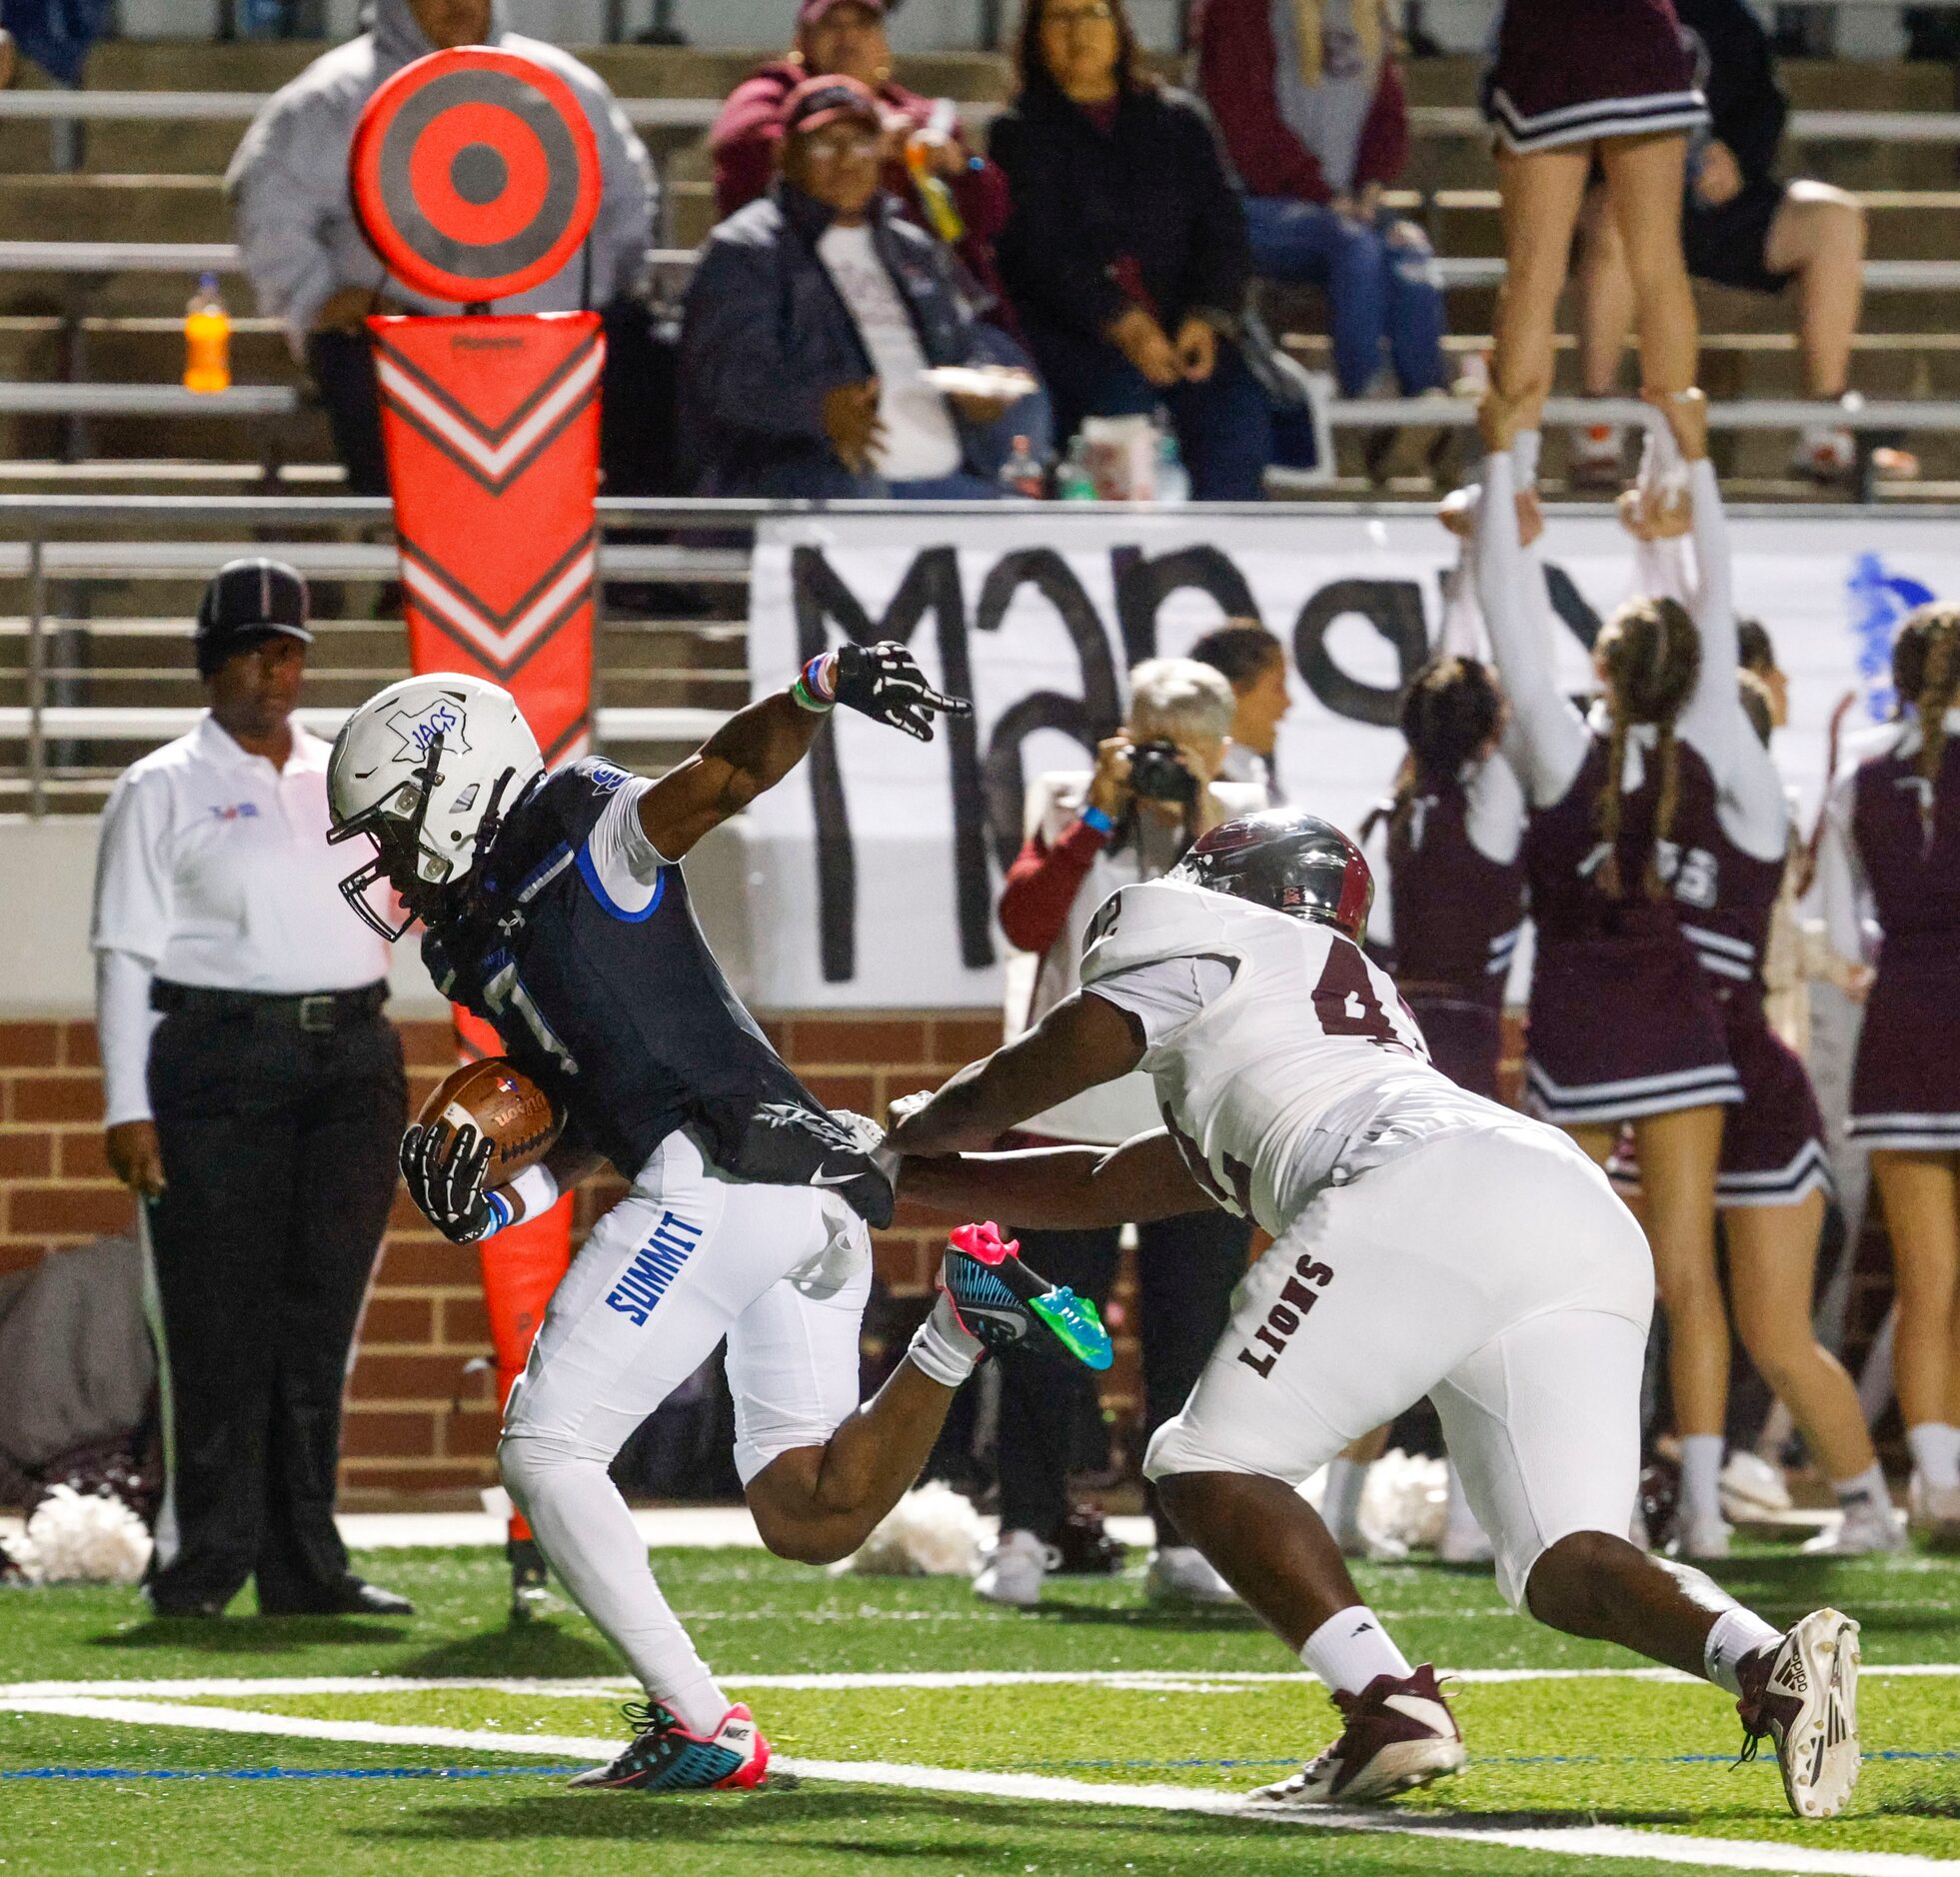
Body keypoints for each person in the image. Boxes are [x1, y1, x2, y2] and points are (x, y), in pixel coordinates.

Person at [890, 809, 1862, 1821]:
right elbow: (1103, 1182)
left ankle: (1386, 1706)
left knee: (1201, 1461)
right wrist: (912, 1178)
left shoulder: (1207, 935)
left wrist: (924, 1123)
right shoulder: (1327, 1013)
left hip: (1421, 1182)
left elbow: (1070, 1045)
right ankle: (1766, 1664)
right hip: (1558, 1202)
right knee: (1558, 1562)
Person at [325, 648, 1101, 1789]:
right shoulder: (473, 942)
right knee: (809, 1510)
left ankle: (699, 1725)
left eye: (393, 825)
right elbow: (584, 1105)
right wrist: (512, 1198)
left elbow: (724, 776)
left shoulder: (578, 826)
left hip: (727, 1180)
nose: (387, 859)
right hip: (796, 1203)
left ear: (452, 784)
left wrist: (815, 689)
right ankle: (959, 1326)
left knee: (546, 1453)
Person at [91, 560, 411, 1620]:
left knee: (323, 1320)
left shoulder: (347, 776)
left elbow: (395, 913)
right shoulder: (160, 784)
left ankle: (304, 1563)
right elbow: (124, 954)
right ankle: (199, 1560)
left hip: (352, 1065)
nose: (273, 671)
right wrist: (122, 1103)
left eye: (288, 651)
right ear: (211, 662)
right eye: (251, 650)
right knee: (212, 1323)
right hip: (216, 1063)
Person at [1475, 389, 1747, 1556]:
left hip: (1580, 1029)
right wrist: (1692, 470)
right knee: (1686, 1273)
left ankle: (1573, 1496)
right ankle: (1700, 1507)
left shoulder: (1553, 740)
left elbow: (1502, 611)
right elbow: (1718, 611)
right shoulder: (1714, 732)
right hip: (1678, 1026)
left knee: (1556, 1275)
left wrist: (1505, 460)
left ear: (1601, 662)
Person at [1612, 498, 1901, 1557]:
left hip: (1746, 1088)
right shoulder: (1640, 807)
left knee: (1770, 1329)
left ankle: (1862, 1507)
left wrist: (1680, 519)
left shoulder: (1746, 811)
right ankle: (1681, 1501)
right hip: (1681, 1082)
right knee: (1669, 1301)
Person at [984, 659, 1267, 1607]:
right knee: (1051, 1329)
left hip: (1194, 1118)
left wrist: (1195, 816)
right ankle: (1022, 1528)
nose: (1162, 767)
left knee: (1191, 1339)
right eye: (1151, 744)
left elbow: (1259, 932)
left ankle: (1184, 1543)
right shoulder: (1073, 805)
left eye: (1185, 753)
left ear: (1221, 752)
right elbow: (1026, 920)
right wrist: (1100, 813)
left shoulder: (1247, 813)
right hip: (1071, 1119)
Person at [227, 0, 657, 497]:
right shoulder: (333, 95)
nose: (459, 3)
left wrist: (601, 294)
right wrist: (315, 297)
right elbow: (268, 206)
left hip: (550, 350)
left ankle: (642, 570)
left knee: (646, 368)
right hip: (404, 350)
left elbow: (627, 200)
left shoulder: (562, 86)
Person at [1567, 0, 1899, 490]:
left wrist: (1739, 162)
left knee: (1835, 218)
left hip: (1720, 207)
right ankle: (1599, 418)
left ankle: (1826, 418)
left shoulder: (1730, 19)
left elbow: (1765, 108)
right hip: (1625, 196)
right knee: (1616, 207)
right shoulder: (1592, 18)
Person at [682, 76, 1038, 500]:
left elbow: (961, 348)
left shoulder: (913, 246)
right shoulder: (747, 249)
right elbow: (725, 382)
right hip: (823, 485)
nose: (848, 159)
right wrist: (818, 408)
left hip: (954, 484)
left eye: (863, 142)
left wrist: (981, 383)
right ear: (784, 155)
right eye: (826, 144)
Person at [989, 0, 1274, 500]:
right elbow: (1039, 252)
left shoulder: (1180, 121)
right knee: (1119, 399)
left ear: (1120, 30)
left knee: (1237, 405)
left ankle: (1226, 555)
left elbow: (1224, 231)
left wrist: (1206, 318)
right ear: (1036, 36)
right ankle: (1123, 567)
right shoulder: (1017, 132)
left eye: (1094, 14)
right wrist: (1124, 324)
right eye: (1061, 17)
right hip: (1079, 335)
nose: (1080, 30)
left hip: (1185, 327)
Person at [1817, 603, 1960, 1550]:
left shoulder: (1853, 777)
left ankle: (1940, 1487)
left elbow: (1835, 938)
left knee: (1926, 1277)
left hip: (1904, 1027)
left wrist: (1888, 958)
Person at [1481, 0, 1705, 483]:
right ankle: (1676, 483)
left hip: (1551, 36)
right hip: (1642, 34)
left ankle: (1511, 483)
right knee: (1659, 265)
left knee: (1534, 272)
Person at [1191, 0, 1448, 405]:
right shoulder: (1240, 9)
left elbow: (1388, 116)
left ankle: (1426, 401)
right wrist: (1327, 196)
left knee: (1408, 248)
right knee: (1353, 244)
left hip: (1338, 204)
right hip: (1246, 203)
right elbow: (1248, 128)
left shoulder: (1368, 10)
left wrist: (1369, 188)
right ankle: (1366, 397)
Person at [711, 0, 1014, 323]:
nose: (848, 37)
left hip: (933, 305)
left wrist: (962, 164)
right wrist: (869, 144)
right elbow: (744, 149)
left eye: (863, 24)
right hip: (806, 296)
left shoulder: (926, 117)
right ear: (801, 41)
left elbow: (992, 209)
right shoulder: (771, 94)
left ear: (883, 44)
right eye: (832, 25)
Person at [1190, 620, 1290, 803]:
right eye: (1277, 686)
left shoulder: (1256, 776)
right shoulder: (1193, 791)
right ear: (1231, 693)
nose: (1287, 702)